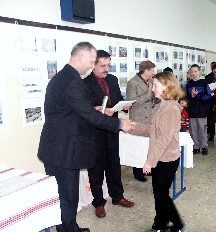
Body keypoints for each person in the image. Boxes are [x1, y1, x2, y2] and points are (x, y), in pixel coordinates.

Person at [37, 42, 133, 232]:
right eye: (91, 61)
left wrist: (92, 109)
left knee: (67, 195)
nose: (92, 65)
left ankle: (70, 227)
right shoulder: (71, 81)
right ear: (80, 57)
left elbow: (76, 110)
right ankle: (69, 229)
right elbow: (89, 117)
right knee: (67, 196)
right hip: (62, 150)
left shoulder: (66, 78)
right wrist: (120, 124)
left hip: (60, 147)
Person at [130, 71, 186, 232]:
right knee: (159, 194)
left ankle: (178, 225)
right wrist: (131, 126)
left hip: (166, 159)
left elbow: (163, 139)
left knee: (161, 195)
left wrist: (150, 162)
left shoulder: (170, 109)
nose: (152, 88)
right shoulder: (160, 106)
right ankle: (160, 223)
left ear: (166, 87)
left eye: (155, 85)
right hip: (160, 158)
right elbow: (151, 130)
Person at [83, 50, 134, 219]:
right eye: (102, 66)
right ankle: (98, 202)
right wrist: (95, 109)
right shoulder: (85, 83)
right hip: (95, 132)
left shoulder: (112, 79)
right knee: (96, 168)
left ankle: (117, 196)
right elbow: (84, 108)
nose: (106, 69)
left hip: (112, 129)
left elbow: (117, 98)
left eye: (108, 65)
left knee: (114, 164)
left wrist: (124, 106)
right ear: (94, 65)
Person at [126, 60, 156, 182]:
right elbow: (133, 100)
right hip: (138, 117)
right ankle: (137, 172)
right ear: (146, 70)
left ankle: (147, 168)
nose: (154, 72)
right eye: (152, 70)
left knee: (148, 145)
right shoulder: (132, 83)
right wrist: (149, 95)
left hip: (149, 116)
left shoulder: (151, 81)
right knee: (138, 146)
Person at [186, 64, 212, 155]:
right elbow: (187, 98)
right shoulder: (188, 84)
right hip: (192, 110)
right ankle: (196, 146)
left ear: (199, 72)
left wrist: (198, 95)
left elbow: (208, 96)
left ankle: (204, 146)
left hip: (202, 110)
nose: (193, 73)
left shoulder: (204, 83)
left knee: (202, 129)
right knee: (193, 129)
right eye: (191, 72)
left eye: (195, 71)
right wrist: (191, 96)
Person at [205, 63, 216, 142]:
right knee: (211, 118)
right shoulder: (208, 77)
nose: (215, 70)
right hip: (210, 99)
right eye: (214, 69)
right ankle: (211, 135)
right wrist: (210, 91)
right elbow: (205, 87)